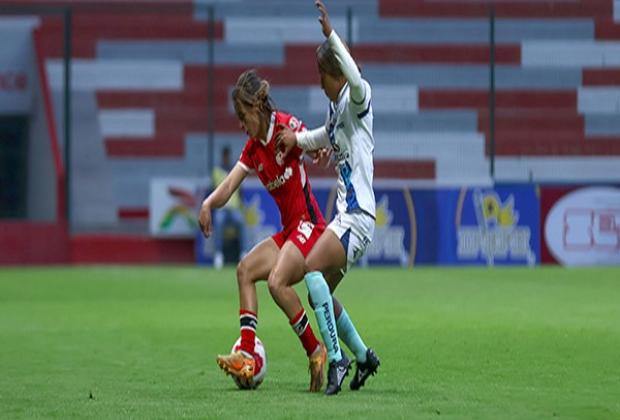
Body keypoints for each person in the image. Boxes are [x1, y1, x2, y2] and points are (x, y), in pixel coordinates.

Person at [199, 69, 329, 391]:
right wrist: (207, 204)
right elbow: (229, 185)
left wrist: (318, 150)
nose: (241, 125)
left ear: (256, 108)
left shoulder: (285, 127)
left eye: (243, 117)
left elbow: (312, 142)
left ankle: (316, 351)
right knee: (244, 269)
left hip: (310, 226)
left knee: (275, 282)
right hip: (289, 232)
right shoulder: (253, 149)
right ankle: (247, 354)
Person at [276, 0, 380, 395]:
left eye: (322, 74)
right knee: (323, 296)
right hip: (347, 215)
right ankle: (364, 356)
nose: (319, 82)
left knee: (310, 270)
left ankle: (336, 360)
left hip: (356, 216)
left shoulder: (359, 96)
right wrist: (296, 140)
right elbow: (322, 135)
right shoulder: (337, 108)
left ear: (335, 71)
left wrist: (331, 38)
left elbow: (354, 79)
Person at [211, 146, 248, 269]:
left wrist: (242, 206)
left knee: (242, 222)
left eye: (228, 155)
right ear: (222, 156)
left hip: (234, 209)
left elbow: (240, 191)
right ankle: (218, 255)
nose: (226, 158)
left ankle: (244, 254)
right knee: (218, 222)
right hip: (221, 208)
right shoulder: (217, 171)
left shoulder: (235, 169)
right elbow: (214, 190)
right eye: (225, 155)